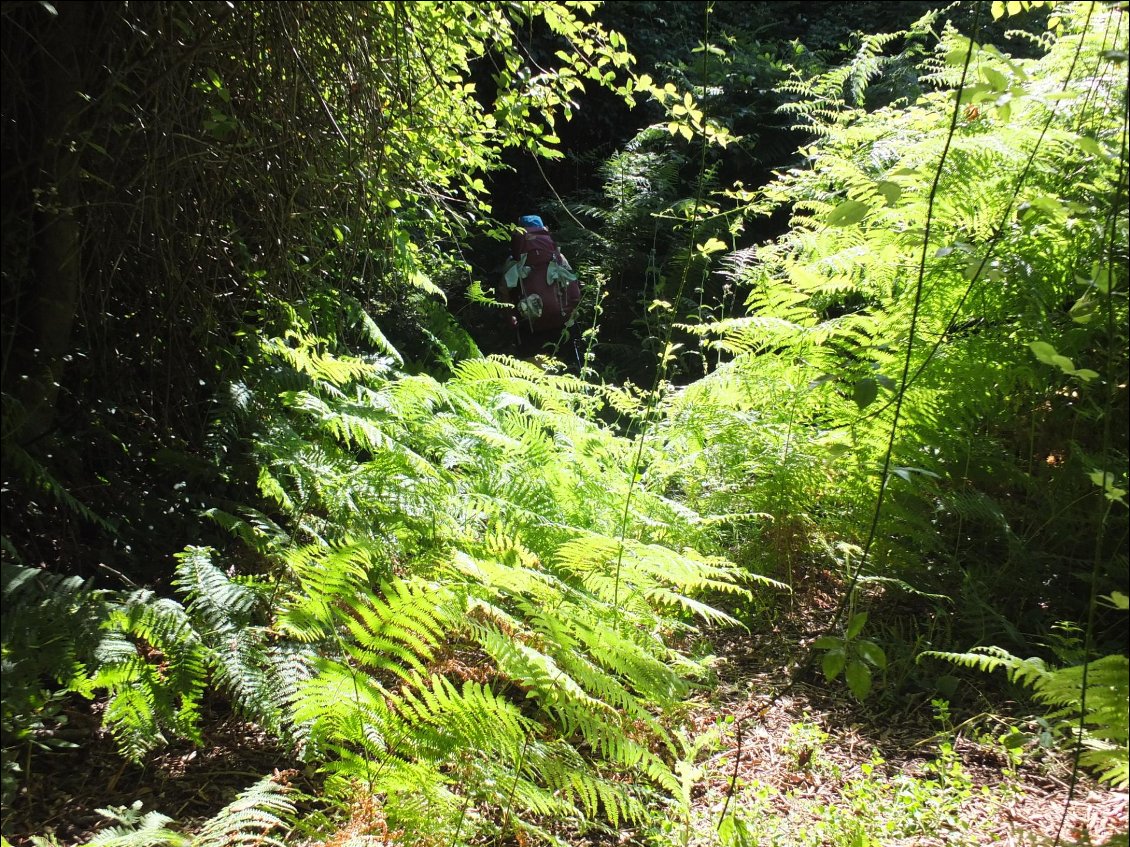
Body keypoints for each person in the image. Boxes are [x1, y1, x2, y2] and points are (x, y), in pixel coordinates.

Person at [498, 215, 581, 362]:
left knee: (533, 372)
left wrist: (510, 316)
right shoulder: (558, 257)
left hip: (530, 325)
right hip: (559, 321)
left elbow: (504, 291)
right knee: (560, 372)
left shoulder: (514, 262)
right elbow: (573, 287)